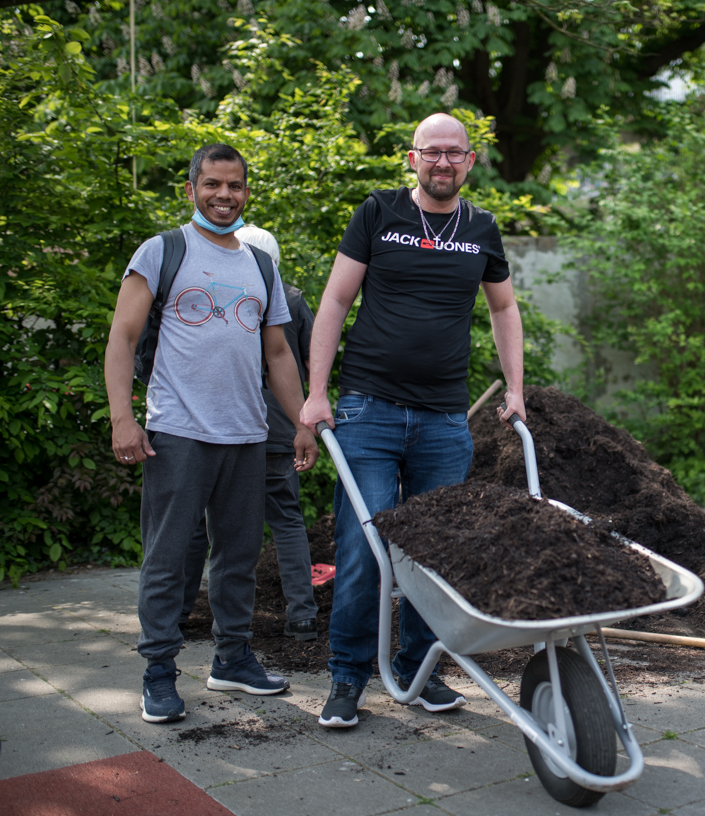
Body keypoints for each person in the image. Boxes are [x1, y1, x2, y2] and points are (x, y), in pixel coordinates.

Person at [299, 113, 525, 729]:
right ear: (412, 158)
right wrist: (316, 393)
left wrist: (515, 388)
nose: (442, 162)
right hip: (367, 411)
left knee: (433, 553)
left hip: (444, 419)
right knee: (365, 547)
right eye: (432, 152)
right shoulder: (379, 212)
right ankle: (348, 678)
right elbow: (336, 300)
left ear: (470, 161)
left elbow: (504, 308)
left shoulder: (481, 227)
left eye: (454, 153)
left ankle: (421, 671)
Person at [104, 144, 319, 724]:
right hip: (177, 432)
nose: (225, 195)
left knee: (239, 555)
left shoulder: (261, 266)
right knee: (169, 557)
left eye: (235, 185)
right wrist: (123, 417)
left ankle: (232, 659)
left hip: (247, 435)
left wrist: (302, 422)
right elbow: (123, 337)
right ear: (191, 189)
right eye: (213, 184)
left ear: (247, 191)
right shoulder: (163, 251)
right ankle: (158, 672)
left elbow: (278, 353)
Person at [179, 225, 319, 643]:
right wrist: (307, 421)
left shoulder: (219, 294)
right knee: (287, 521)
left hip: (224, 424)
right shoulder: (292, 300)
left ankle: (180, 613)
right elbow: (313, 362)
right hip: (279, 427)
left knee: (202, 525)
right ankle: (302, 615)